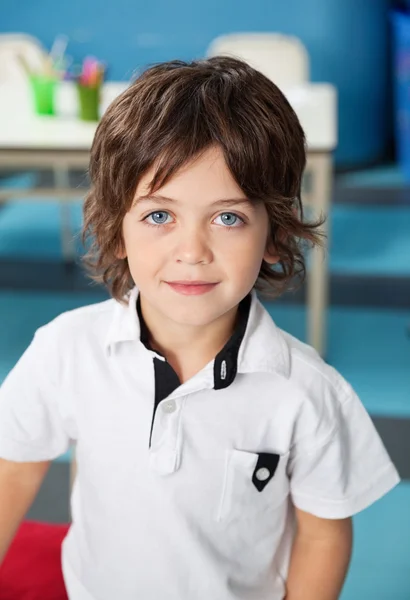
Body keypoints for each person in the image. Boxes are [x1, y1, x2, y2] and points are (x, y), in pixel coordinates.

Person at [0, 57, 400, 600]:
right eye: (159, 216)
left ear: (274, 235)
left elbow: (324, 531)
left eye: (227, 218)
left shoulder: (307, 392)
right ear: (116, 230)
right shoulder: (67, 349)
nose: (191, 252)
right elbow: (14, 472)